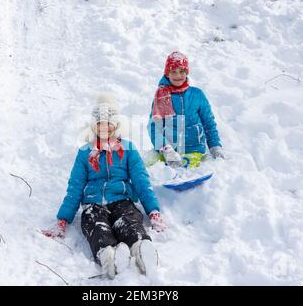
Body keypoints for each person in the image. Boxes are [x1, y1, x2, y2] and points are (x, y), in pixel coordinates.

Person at [43, 94, 165, 279]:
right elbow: (75, 187)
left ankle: (141, 249)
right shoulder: (85, 152)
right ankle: (109, 256)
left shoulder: (128, 149)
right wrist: (63, 219)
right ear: (93, 126)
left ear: (116, 125)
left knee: (129, 222)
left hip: (122, 200)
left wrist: (153, 210)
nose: (104, 127)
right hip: (94, 204)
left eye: (108, 123)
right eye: (99, 123)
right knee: (96, 226)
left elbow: (141, 181)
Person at [147, 51, 224, 168]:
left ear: (186, 72)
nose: (178, 76)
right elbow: (154, 128)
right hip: (169, 152)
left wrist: (215, 146)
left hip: (194, 150)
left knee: (191, 174)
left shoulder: (197, 94)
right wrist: (166, 149)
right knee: (146, 167)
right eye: (174, 71)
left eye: (182, 71)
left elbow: (209, 123)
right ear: (167, 74)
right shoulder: (161, 97)